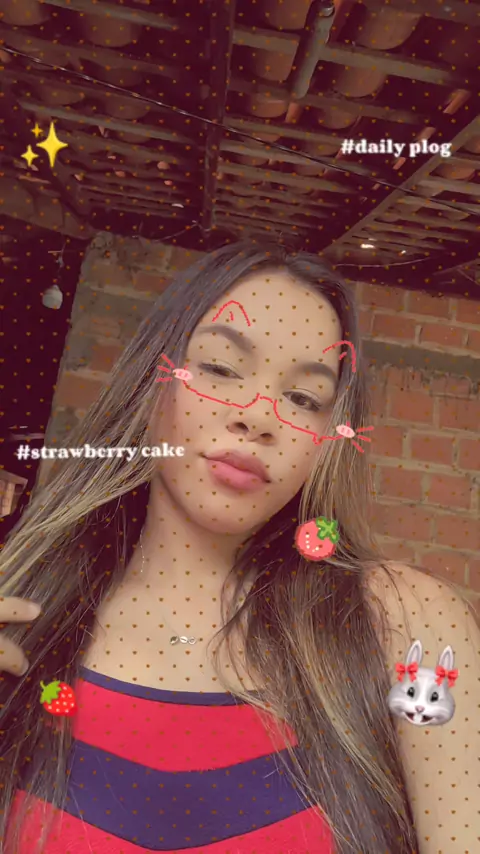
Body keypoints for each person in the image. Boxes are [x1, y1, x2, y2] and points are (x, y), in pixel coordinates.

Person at [0, 241, 478, 854]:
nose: (260, 416)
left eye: (304, 398)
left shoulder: (409, 627)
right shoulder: (24, 609)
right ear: (152, 377)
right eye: (223, 368)